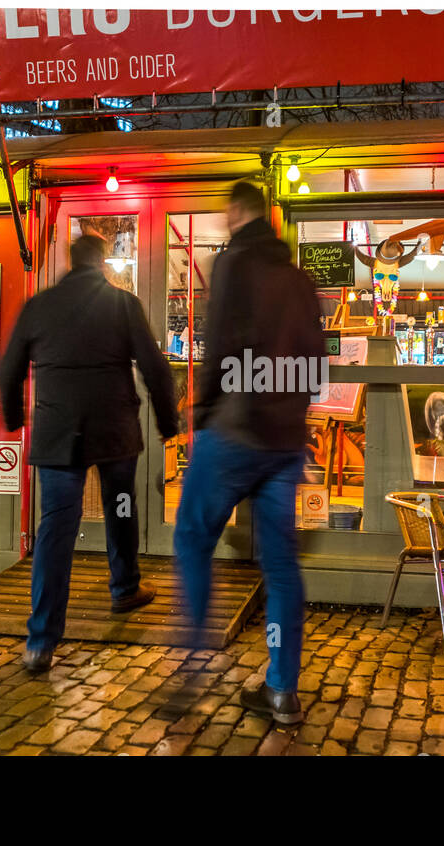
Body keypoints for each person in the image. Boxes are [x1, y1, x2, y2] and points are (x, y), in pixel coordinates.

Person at [173, 181, 324, 724]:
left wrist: (203, 411)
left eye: (225, 214)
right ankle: (282, 689)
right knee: (281, 566)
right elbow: (315, 361)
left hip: (235, 429)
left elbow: (218, 346)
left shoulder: (232, 264)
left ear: (237, 213)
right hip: (284, 441)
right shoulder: (300, 280)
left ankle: (192, 663)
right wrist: (294, 418)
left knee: (192, 537)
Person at [0, 234, 178, 672]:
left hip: (58, 432)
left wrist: (13, 417)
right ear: (101, 262)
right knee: (120, 509)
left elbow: (10, 367)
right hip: (114, 430)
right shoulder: (122, 305)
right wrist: (168, 423)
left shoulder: (39, 306)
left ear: (69, 260)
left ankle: (40, 641)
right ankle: (124, 588)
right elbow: (155, 367)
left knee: (55, 530)